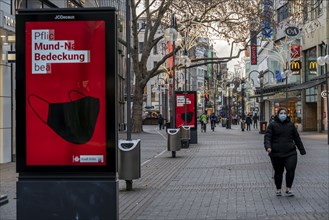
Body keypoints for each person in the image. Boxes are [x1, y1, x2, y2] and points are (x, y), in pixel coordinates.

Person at [264, 107, 306, 197]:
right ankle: (278, 189)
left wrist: (302, 150)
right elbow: (267, 137)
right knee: (278, 172)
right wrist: (268, 147)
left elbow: (296, 138)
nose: (283, 115)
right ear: (278, 114)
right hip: (276, 153)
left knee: (290, 170)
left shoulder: (291, 125)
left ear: (286, 114)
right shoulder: (272, 125)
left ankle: (288, 189)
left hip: (290, 152)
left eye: (284, 113)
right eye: (281, 113)